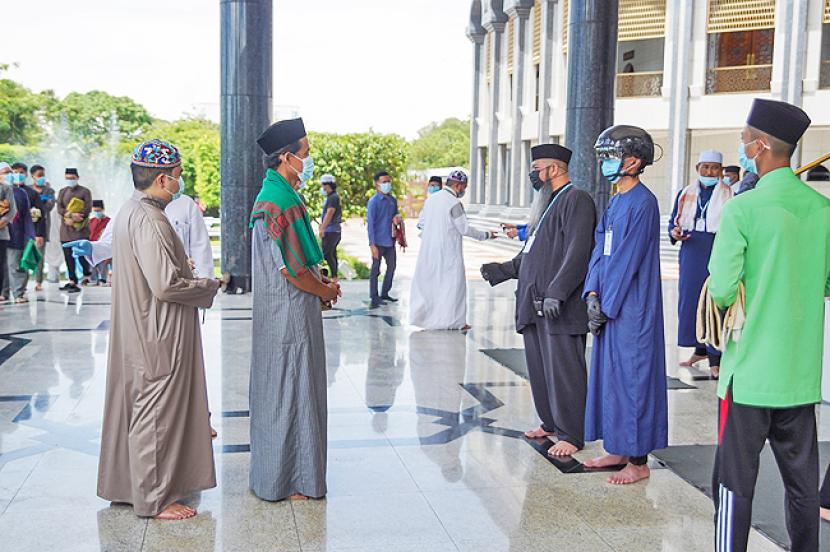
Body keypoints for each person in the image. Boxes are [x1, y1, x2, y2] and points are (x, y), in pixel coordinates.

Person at [708, 99, 827, 552]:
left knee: (734, 485)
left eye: (743, 142)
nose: (741, 149)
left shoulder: (744, 209)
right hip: (798, 376)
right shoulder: (822, 210)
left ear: (760, 147)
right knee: (801, 487)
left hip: (749, 374)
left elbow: (721, 290)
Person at [97, 139, 220, 521]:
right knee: (156, 410)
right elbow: (165, 285)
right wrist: (209, 286)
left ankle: (126, 486)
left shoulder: (130, 211)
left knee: (134, 406)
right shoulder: (150, 219)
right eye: (179, 176)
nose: (180, 184)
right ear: (163, 179)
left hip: (140, 324)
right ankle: (154, 499)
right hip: (157, 330)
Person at [481, 145, 596, 457]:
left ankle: (571, 434)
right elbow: (530, 253)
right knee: (541, 369)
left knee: (564, 372)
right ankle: (549, 423)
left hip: (558, 307)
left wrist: (558, 291)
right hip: (535, 305)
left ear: (554, 169)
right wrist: (502, 270)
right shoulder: (546, 205)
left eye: (537, 168)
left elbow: (577, 252)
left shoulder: (576, 200)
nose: (534, 174)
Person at [248, 117, 341, 502]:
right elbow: (293, 270)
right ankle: (292, 481)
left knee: (282, 390)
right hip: (289, 316)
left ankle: (278, 476)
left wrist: (321, 287)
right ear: (286, 158)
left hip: (284, 313)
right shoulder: (280, 203)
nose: (309, 159)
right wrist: (324, 288)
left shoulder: (278, 194)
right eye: (305, 153)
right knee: (293, 392)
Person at [582, 125, 667, 485]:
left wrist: (608, 303)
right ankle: (617, 447)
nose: (606, 165)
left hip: (632, 309)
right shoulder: (616, 199)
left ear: (633, 161)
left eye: (611, 158)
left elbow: (626, 260)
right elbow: (601, 250)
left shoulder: (643, 203)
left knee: (633, 381)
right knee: (610, 379)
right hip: (609, 304)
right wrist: (591, 293)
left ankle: (638, 460)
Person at [668, 150, 733, 377]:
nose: (709, 172)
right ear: (698, 169)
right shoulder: (685, 193)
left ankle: (715, 357)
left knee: (714, 303)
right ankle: (699, 350)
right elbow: (672, 223)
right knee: (691, 303)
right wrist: (674, 233)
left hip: (716, 252)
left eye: (714, 168)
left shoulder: (729, 195)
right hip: (691, 252)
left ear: (721, 171)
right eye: (705, 167)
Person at [410, 169, 495, 330]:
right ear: (457, 185)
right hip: (448, 253)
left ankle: (428, 320)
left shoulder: (431, 200)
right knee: (453, 286)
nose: (464, 190)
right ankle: (455, 322)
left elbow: (421, 223)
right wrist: (486, 234)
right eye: (464, 187)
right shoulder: (454, 203)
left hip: (429, 251)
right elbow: (464, 229)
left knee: (431, 285)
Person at [66, 193, 214, 280]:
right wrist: (93, 247)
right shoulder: (131, 206)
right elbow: (113, 241)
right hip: (143, 281)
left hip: (180, 280)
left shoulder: (185, 204)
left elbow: (200, 246)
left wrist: (203, 282)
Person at [367, 171, 400, 308]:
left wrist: (397, 220)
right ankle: (374, 296)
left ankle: (385, 293)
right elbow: (370, 224)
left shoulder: (392, 200)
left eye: (388, 181)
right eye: (384, 182)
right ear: (377, 184)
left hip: (389, 240)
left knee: (391, 267)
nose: (387, 184)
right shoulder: (373, 202)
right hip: (378, 241)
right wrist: (372, 245)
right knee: (375, 270)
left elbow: (395, 215)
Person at [4, 165, 36, 303]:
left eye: (9, 173)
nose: (9, 175)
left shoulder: (20, 193)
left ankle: (19, 293)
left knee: (16, 265)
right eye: (5, 173)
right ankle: (3, 293)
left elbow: (26, 216)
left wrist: (31, 235)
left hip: (16, 234)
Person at [57, 168, 92, 292]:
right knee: (68, 256)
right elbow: (59, 208)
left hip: (80, 229)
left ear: (77, 177)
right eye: (67, 178)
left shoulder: (85, 191)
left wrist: (77, 217)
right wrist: (70, 216)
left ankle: (87, 275)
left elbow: (88, 208)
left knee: (82, 254)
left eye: (72, 178)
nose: (70, 180)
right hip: (66, 229)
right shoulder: (62, 192)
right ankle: (72, 279)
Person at [30, 164, 56, 290]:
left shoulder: (49, 191)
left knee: (40, 256)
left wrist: (42, 203)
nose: (42, 178)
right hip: (28, 227)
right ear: (32, 176)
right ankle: (21, 283)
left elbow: (49, 207)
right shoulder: (27, 190)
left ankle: (38, 282)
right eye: (39, 176)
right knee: (24, 254)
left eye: (43, 175)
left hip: (42, 226)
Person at [0, 163, 19, 302]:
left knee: (2, 264)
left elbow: (12, 210)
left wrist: (2, 222)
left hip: (2, 233)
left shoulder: (6, 189)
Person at [318, 173, 342, 277]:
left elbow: (330, 212)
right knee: (332, 253)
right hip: (333, 230)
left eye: (323, 186)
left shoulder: (332, 198)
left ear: (327, 185)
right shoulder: (332, 197)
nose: (322, 188)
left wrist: (323, 228)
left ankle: (332, 275)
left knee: (326, 253)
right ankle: (334, 275)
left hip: (331, 230)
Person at [88, 200, 110, 285]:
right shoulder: (91, 221)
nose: (97, 213)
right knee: (92, 263)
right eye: (95, 211)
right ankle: (93, 279)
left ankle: (103, 279)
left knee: (103, 263)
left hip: (103, 246)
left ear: (103, 209)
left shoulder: (109, 221)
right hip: (93, 246)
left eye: (99, 211)